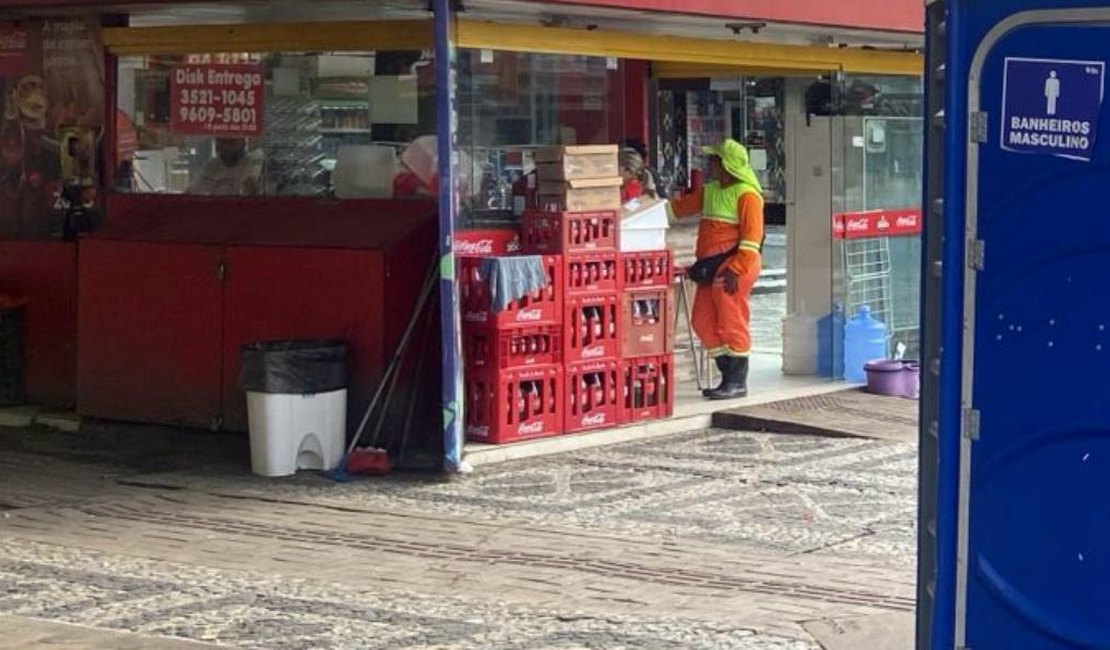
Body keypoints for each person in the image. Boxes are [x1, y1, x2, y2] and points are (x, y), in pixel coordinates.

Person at [672, 138, 764, 400]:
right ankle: (728, 375)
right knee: (701, 320)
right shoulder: (711, 190)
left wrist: (735, 269)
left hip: (734, 267)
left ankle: (736, 381)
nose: (709, 164)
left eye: (714, 160)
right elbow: (678, 210)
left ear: (726, 165)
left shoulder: (747, 195)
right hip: (712, 267)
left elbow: (751, 239)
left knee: (732, 319)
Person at [190, 137, 262, 196]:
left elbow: (253, 192)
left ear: (243, 142)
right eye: (223, 141)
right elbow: (192, 192)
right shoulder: (211, 165)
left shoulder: (252, 162)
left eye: (231, 142)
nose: (226, 147)